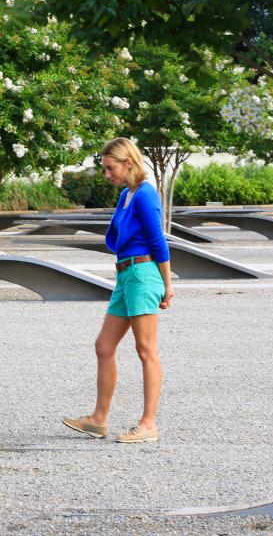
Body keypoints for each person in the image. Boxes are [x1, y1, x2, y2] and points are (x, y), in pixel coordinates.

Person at [63, 137, 173, 444]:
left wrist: (168, 285)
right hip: (125, 275)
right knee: (104, 346)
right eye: (105, 168)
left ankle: (148, 424)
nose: (107, 174)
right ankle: (99, 419)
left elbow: (158, 241)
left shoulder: (145, 194)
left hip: (142, 274)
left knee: (145, 349)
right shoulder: (128, 194)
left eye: (111, 168)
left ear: (129, 163)